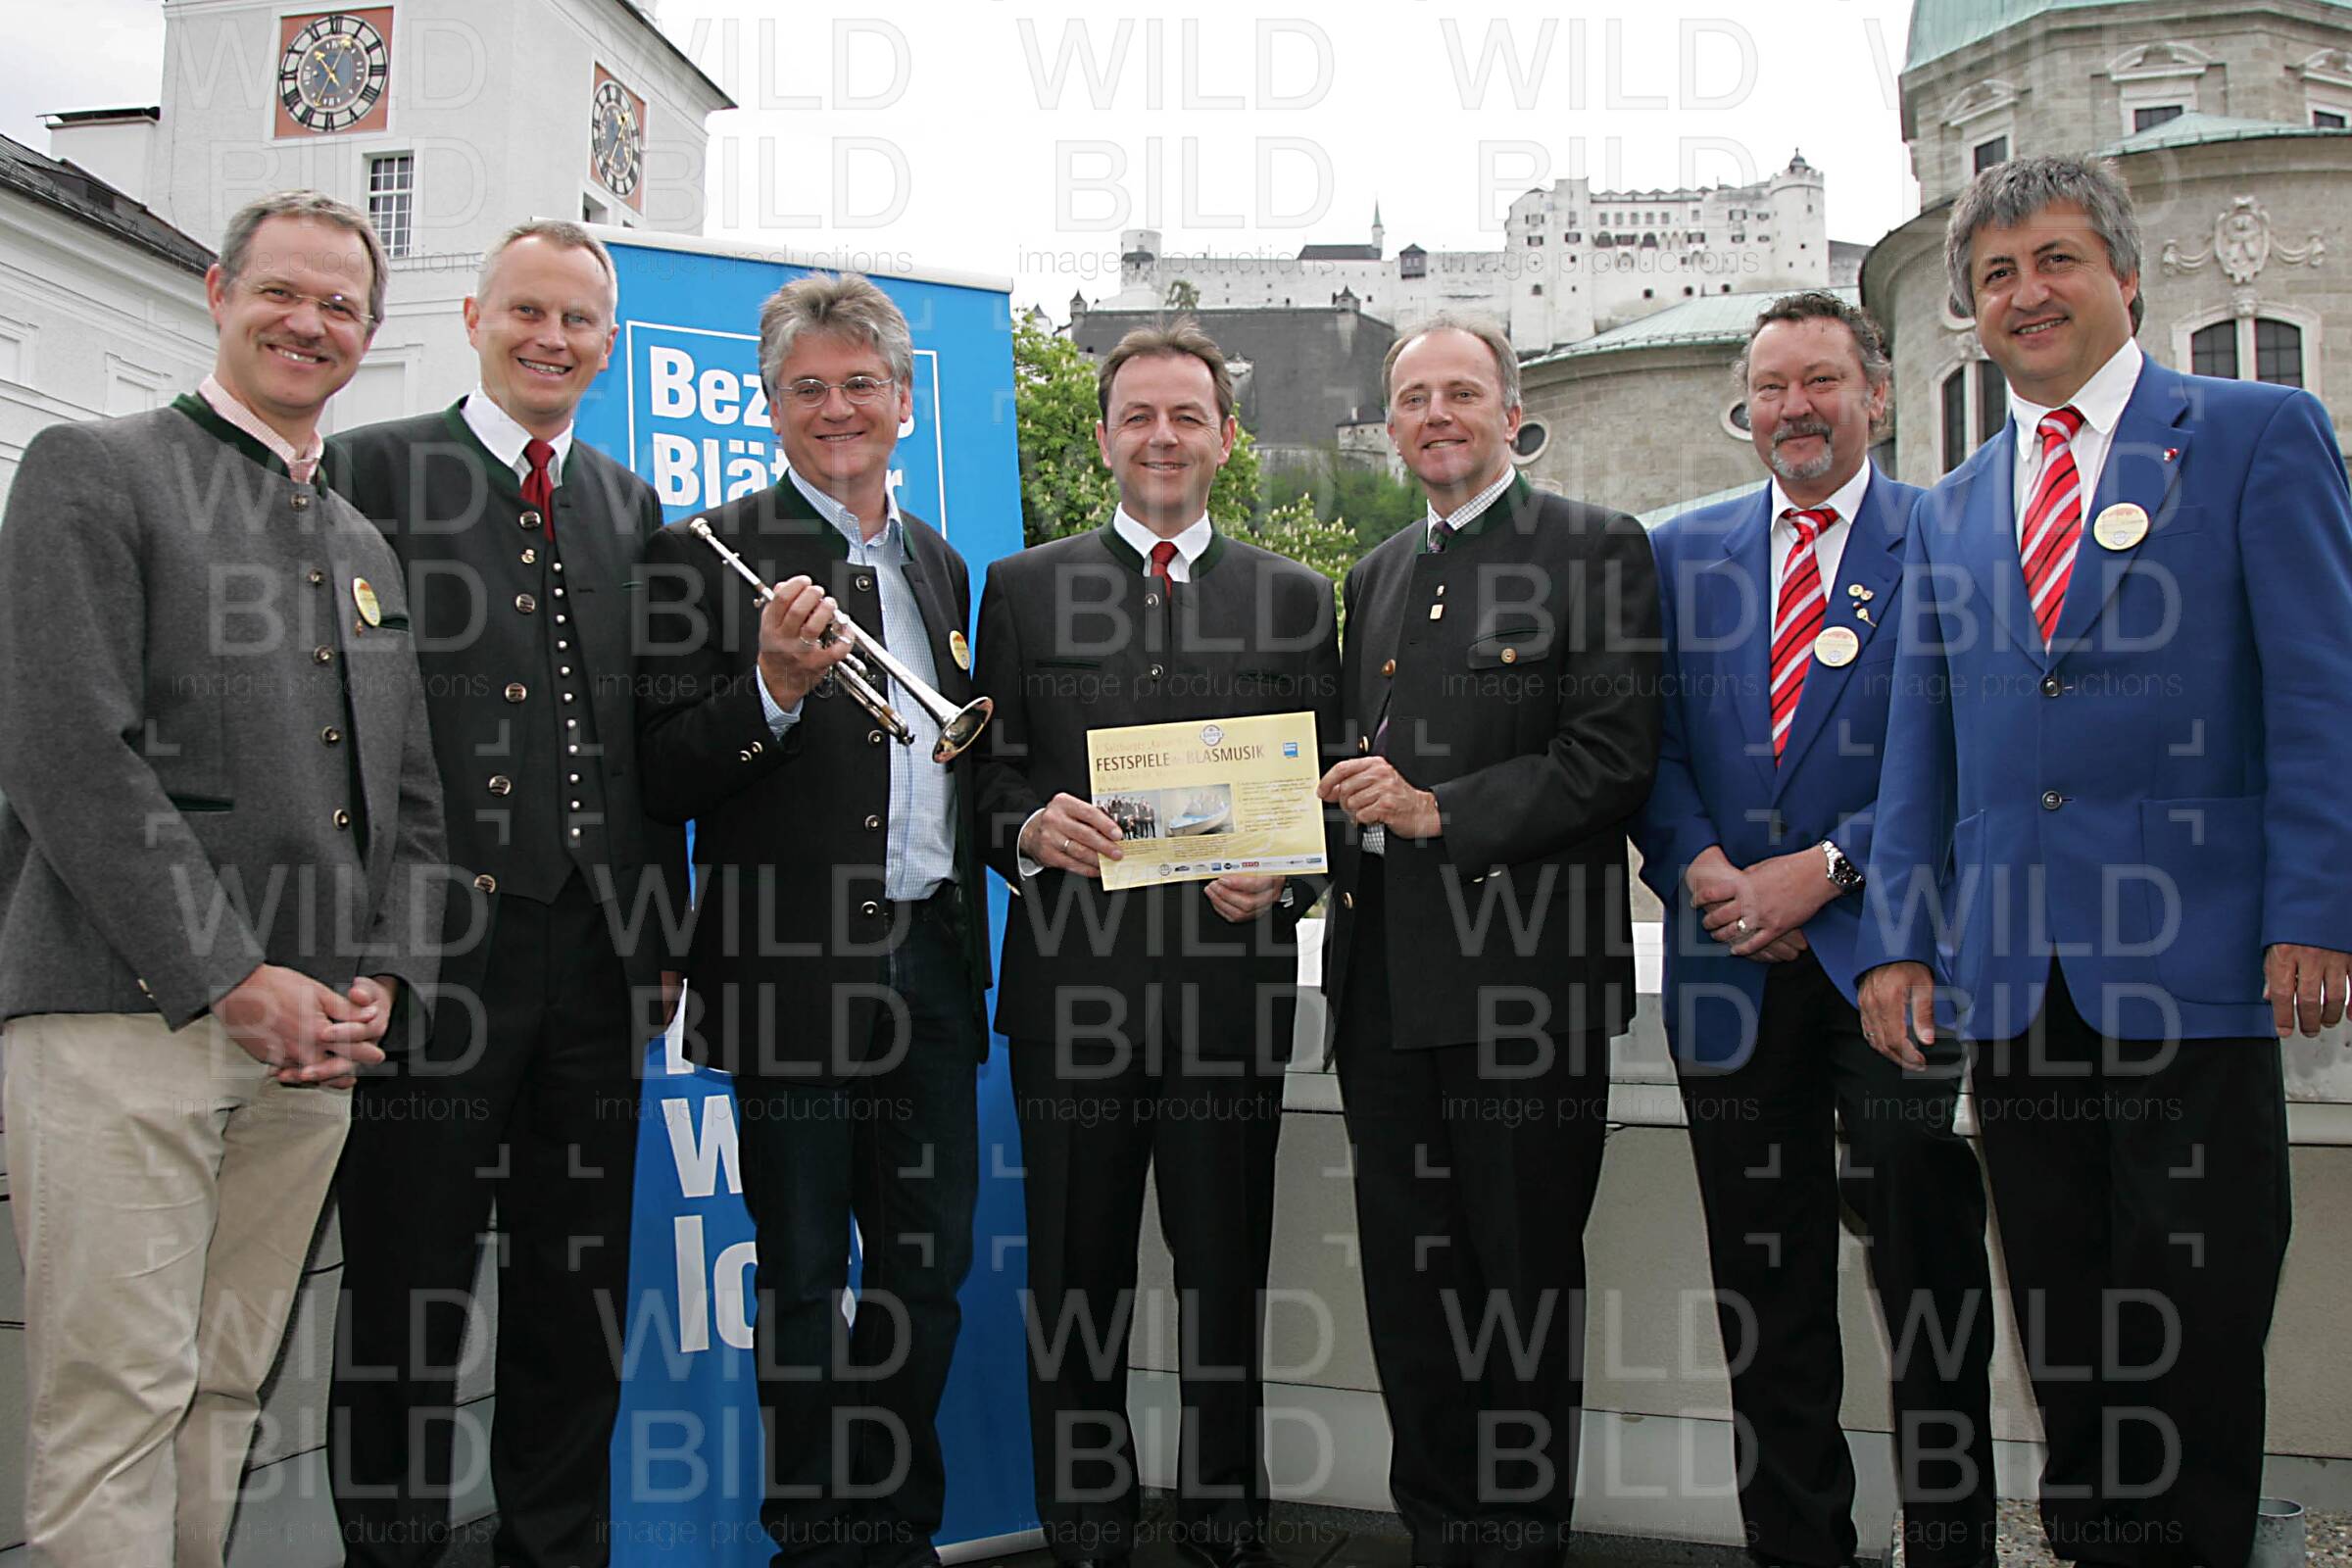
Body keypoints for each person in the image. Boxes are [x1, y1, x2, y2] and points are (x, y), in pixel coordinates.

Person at [1855, 154, 2352, 1568]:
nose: (2029, 293)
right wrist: (1900, 939)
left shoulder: (2254, 434)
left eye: (2057, 259)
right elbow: (1922, 748)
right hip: (2017, 981)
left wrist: (2318, 908)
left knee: (2196, 1321)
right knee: (2063, 1319)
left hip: (2198, 963)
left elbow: (2323, 690)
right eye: (1998, 275)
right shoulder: (1951, 506)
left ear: (2125, 277)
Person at [0, 189, 444, 1566]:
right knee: (116, 1401)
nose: (310, 323)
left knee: (223, 1394)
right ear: (218, 294)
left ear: (368, 334)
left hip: (313, 1051)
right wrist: (233, 975)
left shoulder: (365, 548)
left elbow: (411, 808)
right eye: (282, 292)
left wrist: (386, 978)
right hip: (122, 1020)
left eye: (341, 306)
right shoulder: (94, 469)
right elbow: (67, 755)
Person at [325, 219, 688, 1567]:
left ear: (609, 343)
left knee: (574, 1296)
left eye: (578, 320)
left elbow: (644, 742)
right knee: (404, 1294)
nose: (552, 338)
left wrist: (662, 937)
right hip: (429, 964)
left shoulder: (630, 504)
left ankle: (556, 1549)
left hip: (596, 965)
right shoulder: (371, 470)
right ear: (476, 318)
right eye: (528, 311)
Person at [1636, 292, 1996, 1568]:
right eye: (1772, 386)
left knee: (1929, 1279)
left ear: (1877, 398)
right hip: (1731, 972)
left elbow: (1970, 751)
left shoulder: (1952, 540)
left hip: (1894, 964)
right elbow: (1648, 749)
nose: (1795, 408)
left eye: (1822, 381)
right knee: (1766, 1293)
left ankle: (1949, 1543)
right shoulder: (1678, 555)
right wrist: (1710, 872)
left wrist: (1826, 872)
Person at [973, 321, 1341, 1568]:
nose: (1163, 437)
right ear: (1102, 438)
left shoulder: (1296, 598)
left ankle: (1224, 1517)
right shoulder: (1021, 589)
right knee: (1075, 1281)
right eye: (1139, 415)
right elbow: (983, 776)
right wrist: (1028, 826)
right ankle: (1088, 1523)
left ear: (1227, 439)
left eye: (1188, 416)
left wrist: (1290, 876)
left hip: (1228, 997)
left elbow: (1324, 792)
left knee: (1225, 1276)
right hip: (1070, 997)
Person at [636, 272, 987, 1568]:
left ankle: (893, 1529)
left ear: (903, 399)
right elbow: (662, 772)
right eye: (807, 389)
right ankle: (812, 1538)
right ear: (771, 406)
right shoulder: (701, 554)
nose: (836, 409)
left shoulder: (940, 562)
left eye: (860, 385)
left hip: (931, 966)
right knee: (797, 1277)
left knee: (925, 1275)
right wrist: (771, 691)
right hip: (789, 973)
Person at [1315, 314, 1660, 1568]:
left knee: (1521, 1293)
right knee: (1410, 1297)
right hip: (1385, 999)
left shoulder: (1597, 547)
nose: (1437, 415)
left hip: (1525, 997)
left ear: (1512, 414)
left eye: (1462, 392)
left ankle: (1518, 1542)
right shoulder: (1375, 573)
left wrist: (1437, 809)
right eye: (1414, 398)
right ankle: (1439, 1532)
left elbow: (1612, 757)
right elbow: (1343, 766)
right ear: (1392, 425)